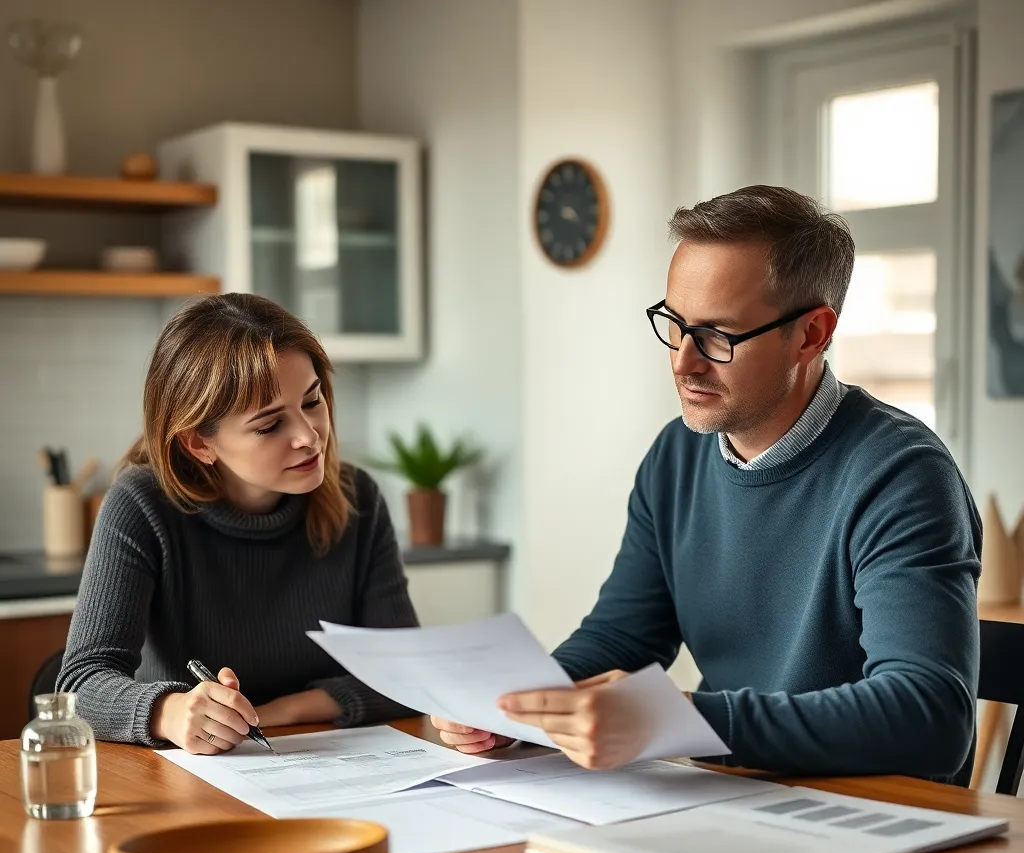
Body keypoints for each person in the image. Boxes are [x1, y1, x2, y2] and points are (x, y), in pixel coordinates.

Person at [434, 185, 982, 784]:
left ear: (811, 334)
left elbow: (930, 719)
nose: (683, 362)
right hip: (733, 792)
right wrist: (518, 707)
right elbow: (623, 635)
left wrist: (681, 721)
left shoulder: (902, 474)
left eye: (719, 335)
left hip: (873, 811)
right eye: (674, 324)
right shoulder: (676, 456)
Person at [58, 293, 417, 752]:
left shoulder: (357, 498)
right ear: (198, 443)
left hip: (325, 756)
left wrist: (280, 712)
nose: (309, 437)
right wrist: (171, 712)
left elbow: (409, 672)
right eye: (269, 426)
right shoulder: (142, 504)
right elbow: (80, 686)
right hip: (185, 775)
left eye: (312, 401)